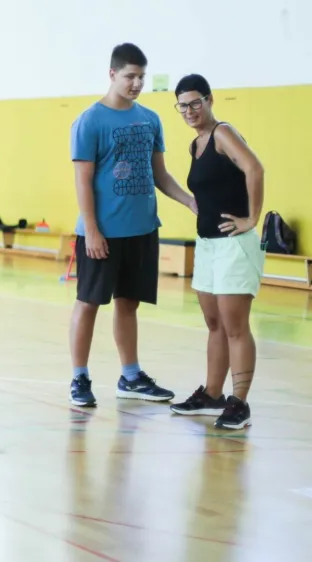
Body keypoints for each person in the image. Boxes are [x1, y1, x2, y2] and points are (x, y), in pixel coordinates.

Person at [68, 43, 198, 407]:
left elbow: (160, 175)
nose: (137, 83)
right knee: (88, 303)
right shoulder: (89, 121)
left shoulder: (151, 119)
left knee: (129, 304)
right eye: (130, 76)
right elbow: (83, 181)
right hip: (102, 234)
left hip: (142, 230)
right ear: (112, 74)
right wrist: (92, 230)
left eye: (142, 77)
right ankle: (79, 377)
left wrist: (189, 200)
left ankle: (130, 375)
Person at [168, 74, 265, 429]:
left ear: (209, 100)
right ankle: (212, 394)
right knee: (214, 324)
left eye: (195, 103)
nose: (189, 110)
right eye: (183, 105)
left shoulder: (223, 133)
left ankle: (239, 403)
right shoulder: (196, 144)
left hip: (234, 245)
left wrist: (251, 218)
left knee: (235, 326)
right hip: (207, 244)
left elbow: (254, 168)